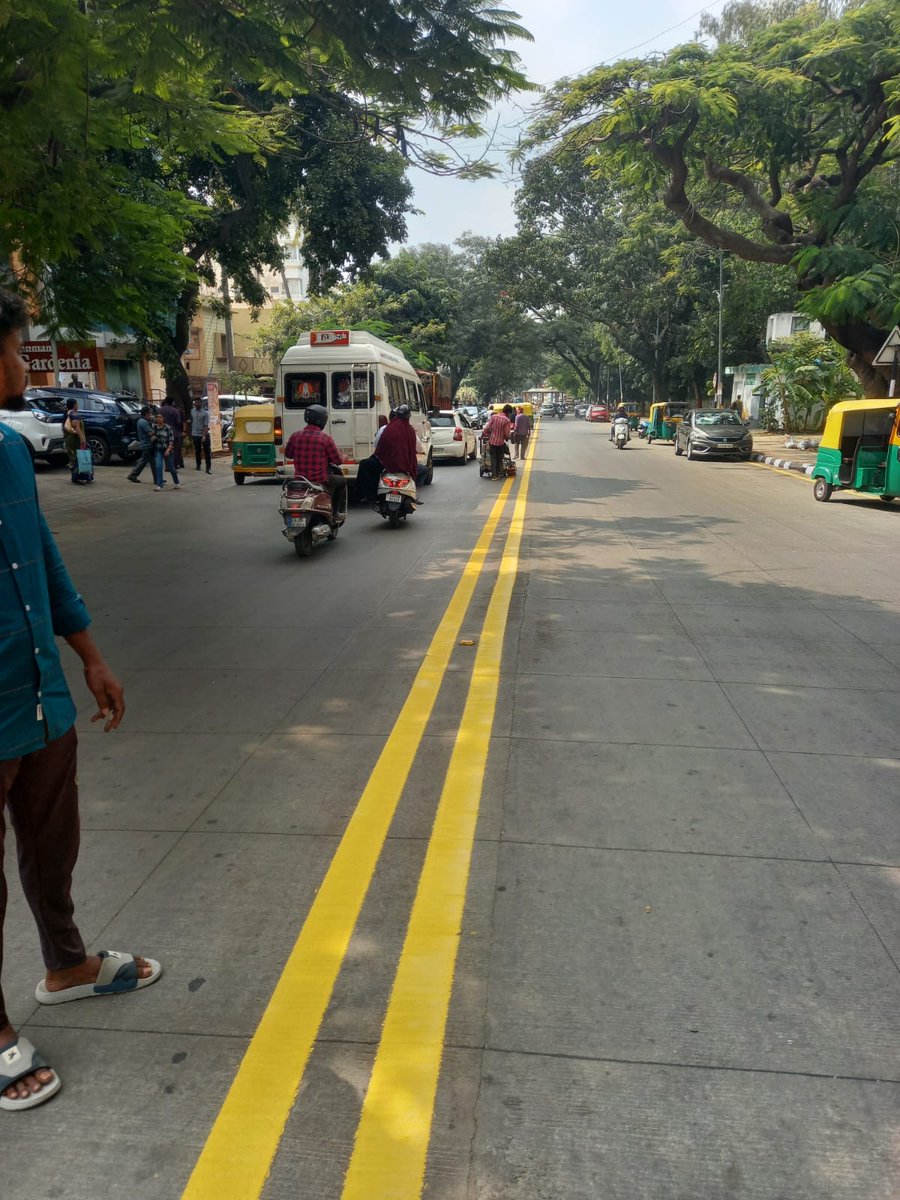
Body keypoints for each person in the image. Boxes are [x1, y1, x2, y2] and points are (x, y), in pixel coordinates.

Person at [0, 287, 161, 1112]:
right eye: (20, 346)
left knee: (52, 838)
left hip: (37, 698)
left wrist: (91, 656)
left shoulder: (9, 451)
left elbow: (45, 562)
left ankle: (66, 965)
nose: (25, 362)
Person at [283, 404, 347, 516]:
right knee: (341, 481)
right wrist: (344, 457)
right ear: (322, 420)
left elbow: (288, 454)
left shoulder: (295, 436)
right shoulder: (325, 438)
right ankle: (335, 512)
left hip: (300, 479)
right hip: (319, 479)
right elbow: (337, 460)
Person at [375, 404, 421, 496]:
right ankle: (414, 495)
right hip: (405, 466)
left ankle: (370, 495)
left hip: (385, 465)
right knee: (422, 471)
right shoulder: (410, 431)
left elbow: (379, 448)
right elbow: (415, 449)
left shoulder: (388, 428)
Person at [356, 414, 389, 503]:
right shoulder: (410, 430)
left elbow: (376, 444)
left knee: (365, 464)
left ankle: (366, 494)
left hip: (385, 463)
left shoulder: (384, 429)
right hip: (404, 464)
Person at [150, 412, 180, 492]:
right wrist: (152, 437)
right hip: (159, 449)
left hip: (167, 449)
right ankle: (159, 485)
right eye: (157, 417)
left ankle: (176, 482)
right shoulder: (155, 427)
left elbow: (171, 440)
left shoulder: (168, 428)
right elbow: (152, 436)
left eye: (160, 417)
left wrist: (168, 449)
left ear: (163, 418)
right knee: (159, 466)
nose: (158, 419)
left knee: (170, 467)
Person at [62, 398, 89, 485]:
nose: (77, 405)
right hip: (74, 439)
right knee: (77, 458)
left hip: (69, 439)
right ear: (74, 405)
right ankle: (78, 477)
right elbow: (76, 426)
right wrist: (82, 439)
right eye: (76, 403)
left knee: (74, 457)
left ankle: (78, 477)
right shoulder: (73, 413)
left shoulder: (66, 413)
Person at [483, 405, 513, 479]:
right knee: (499, 458)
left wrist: (485, 433)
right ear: (508, 412)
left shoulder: (494, 417)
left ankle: (494, 475)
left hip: (492, 441)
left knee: (493, 458)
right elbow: (506, 433)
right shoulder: (507, 420)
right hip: (500, 442)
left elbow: (487, 427)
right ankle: (498, 473)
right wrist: (506, 437)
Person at [126, 405, 154, 483]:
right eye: (149, 413)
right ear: (146, 414)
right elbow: (150, 433)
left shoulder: (141, 421)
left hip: (146, 444)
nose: (150, 415)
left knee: (152, 462)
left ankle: (157, 478)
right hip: (146, 444)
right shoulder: (143, 422)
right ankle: (133, 475)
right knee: (143, 461)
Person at [159, 396, 185, 469]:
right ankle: (174, 465)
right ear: (173, 402)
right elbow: (179, 422)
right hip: (175, 432)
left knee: (165, 448)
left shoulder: (160, 410)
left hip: (163, 432)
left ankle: (167, 466)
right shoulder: (175, 411)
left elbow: (157, 420)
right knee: (176, 450)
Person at [189, 398, 211, 473]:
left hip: (203, 434)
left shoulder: (205, 413)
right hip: (195, 434)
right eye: (195, 402)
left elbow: (206, 426)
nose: (196, 404)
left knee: (207, 451)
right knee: (197, 450)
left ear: (201, 403)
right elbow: (191, 420)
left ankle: (208, 467)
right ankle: (198, 465)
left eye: (198, 402)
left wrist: (204, 436)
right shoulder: (192, 411)